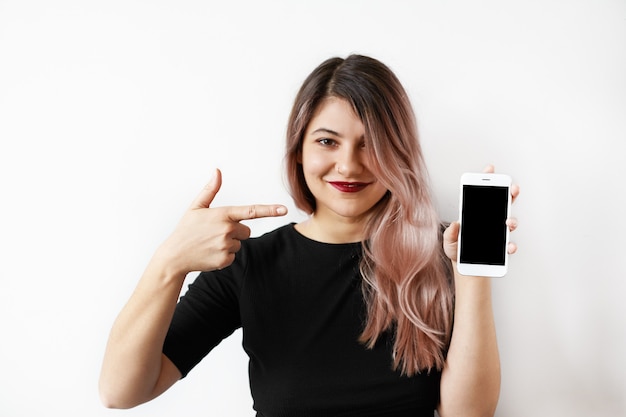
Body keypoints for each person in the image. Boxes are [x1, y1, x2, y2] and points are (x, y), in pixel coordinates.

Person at [99, 54, 519, 417]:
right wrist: (169, 262)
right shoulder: (248, 264)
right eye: (327, 142)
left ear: (398, 152)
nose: (349, 166)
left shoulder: (442, 253)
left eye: (370, 144)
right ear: (299, 150)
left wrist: (471, 276)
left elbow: (468, 413)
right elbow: (121, 391)